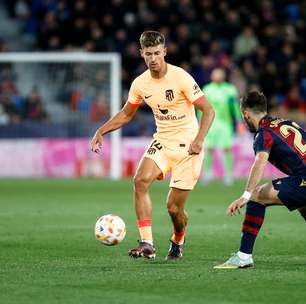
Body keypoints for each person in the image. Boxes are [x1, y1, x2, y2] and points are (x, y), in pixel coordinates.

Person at [90, 31, 215, 260]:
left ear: (165, 52)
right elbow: (127, 114)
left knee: (174, 209)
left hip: (188, 147)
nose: (153, 58)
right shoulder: (140, 83)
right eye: (148, 54)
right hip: (163, 141)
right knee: (140, 181)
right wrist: (101, 131)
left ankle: (178, 238)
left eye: (157, 53)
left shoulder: (181, 78)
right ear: (142, 54)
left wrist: (199, 141)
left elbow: (208, 110)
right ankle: (147, 243)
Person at [214, 91, 306, 269]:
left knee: (257, 196)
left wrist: (245, 195)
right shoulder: (286, 123)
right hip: (301, 179)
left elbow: (260, 162)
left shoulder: (264, 134)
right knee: (303, 207)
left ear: (246, 114)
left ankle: (243, 256)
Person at [199, 68, 241, 185]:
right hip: (210, 124)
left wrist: (239, 121)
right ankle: (207, 174)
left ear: (223, 76)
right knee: (208, 149)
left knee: (227, 148)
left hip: (225, 124)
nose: (217, 76)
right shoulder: (207, 89)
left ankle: (228, 175)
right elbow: (202, 107)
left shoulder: (230, 89)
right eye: (215, 74)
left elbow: (235, 106)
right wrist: (199, 121)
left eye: (219, 74)